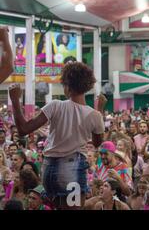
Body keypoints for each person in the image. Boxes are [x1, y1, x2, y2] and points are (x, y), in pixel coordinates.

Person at [8, 62, 106, 209]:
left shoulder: (55, 105)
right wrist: (100, 110)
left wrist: (15, 100)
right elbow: (97, 142)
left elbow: (23, 129)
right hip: (72, 169)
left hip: (48, 170)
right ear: (87, 85)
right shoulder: (94, 115)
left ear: (67, 86)